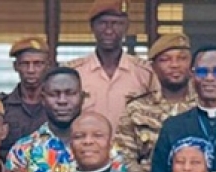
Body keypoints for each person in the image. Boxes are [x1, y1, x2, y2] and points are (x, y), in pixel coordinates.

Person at [116, 33, 198, 172]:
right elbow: (123, 157)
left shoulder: (203, 106)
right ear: (153, 67)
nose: (174, 65)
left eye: (182, 58)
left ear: (192, 65)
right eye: (165, 60)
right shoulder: (136, 108)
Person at [65, 0, 153, 132]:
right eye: (102, 23)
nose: (109, 30)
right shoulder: (74, 72)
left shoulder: (145, 73)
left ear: (126, 27)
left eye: (116, 24)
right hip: (86, 148)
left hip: (132, 150)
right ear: (92, 27)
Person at [0, 36, 51, 159]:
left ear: (47, 66)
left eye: (38, 64)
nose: (31, 70)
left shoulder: (57, 106)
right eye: (25, 64)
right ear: (16, 66)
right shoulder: (1, 107)